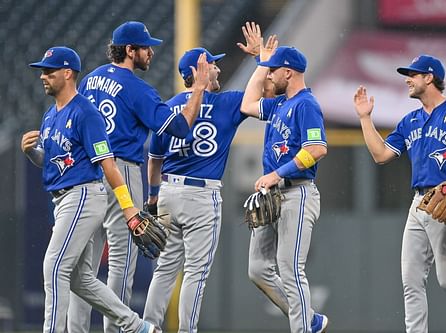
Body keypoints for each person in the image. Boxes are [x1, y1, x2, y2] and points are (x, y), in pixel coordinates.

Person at [66, 21, 209, 333]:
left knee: (83, 266)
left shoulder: (90, 80)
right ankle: (118, 329)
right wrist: (198, 89)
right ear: (129, 51)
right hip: (121, 171)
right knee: (121, 261)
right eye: (145, 47)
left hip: (88, 170)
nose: (151, 52)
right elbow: (180, 128)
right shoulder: (137, 88)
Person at [353, 54, 446, 333]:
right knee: (411, 280)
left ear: (429, 78)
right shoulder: (410, 121)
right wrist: (364, 119)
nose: (408, 79)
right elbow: (381, 154)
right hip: (419, 204)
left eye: (413, 74)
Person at [21, 46, 158, 333]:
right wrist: (31, 153)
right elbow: (52, 163)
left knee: (54, 267)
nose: (43, 76)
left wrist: (129, 209)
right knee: (80, 278)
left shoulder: (86, 113)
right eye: (43, 71)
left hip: (84, 195)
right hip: (64, 198)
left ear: (68, 73)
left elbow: (109, 166)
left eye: (49, 71)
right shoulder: (50, 115)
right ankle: (138, 326)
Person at [142, 22, 267, 333]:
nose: (216, 67)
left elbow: (154, 161)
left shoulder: (168, 107)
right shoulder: (226, 103)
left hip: (170, 192)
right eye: (211, 63)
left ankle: (146, 327)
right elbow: (262, 91)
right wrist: (260, 58)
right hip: (201, 197)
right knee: (195, 272)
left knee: (165, 270)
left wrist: (153, 199)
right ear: (199, 71)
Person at [240, 36, 328, 333]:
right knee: (258, 270)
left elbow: (316, 148)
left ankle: (304, 328)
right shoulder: (280, 103)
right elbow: (248, 103)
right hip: (274, 195)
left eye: (273, 70)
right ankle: (310, 320)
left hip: (297, 192)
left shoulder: (306, 104)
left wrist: (277, 174)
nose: (269, 75)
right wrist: (262, 60)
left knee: (290, 269)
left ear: (288, 72)